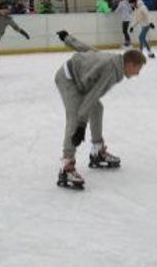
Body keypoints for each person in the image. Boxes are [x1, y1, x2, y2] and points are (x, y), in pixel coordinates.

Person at [54, 30, 147, 190]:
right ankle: (67, 166)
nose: (137, 74)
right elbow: (92, 95)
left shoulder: (115, 60)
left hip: (81, 78)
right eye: (137, 69)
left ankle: (97, 151)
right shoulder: (112, 70)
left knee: (97, 108)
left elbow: (88, 50)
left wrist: (68, 39)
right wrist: (81, 125)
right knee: (75, 119)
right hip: (68, 79)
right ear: (130, 64)